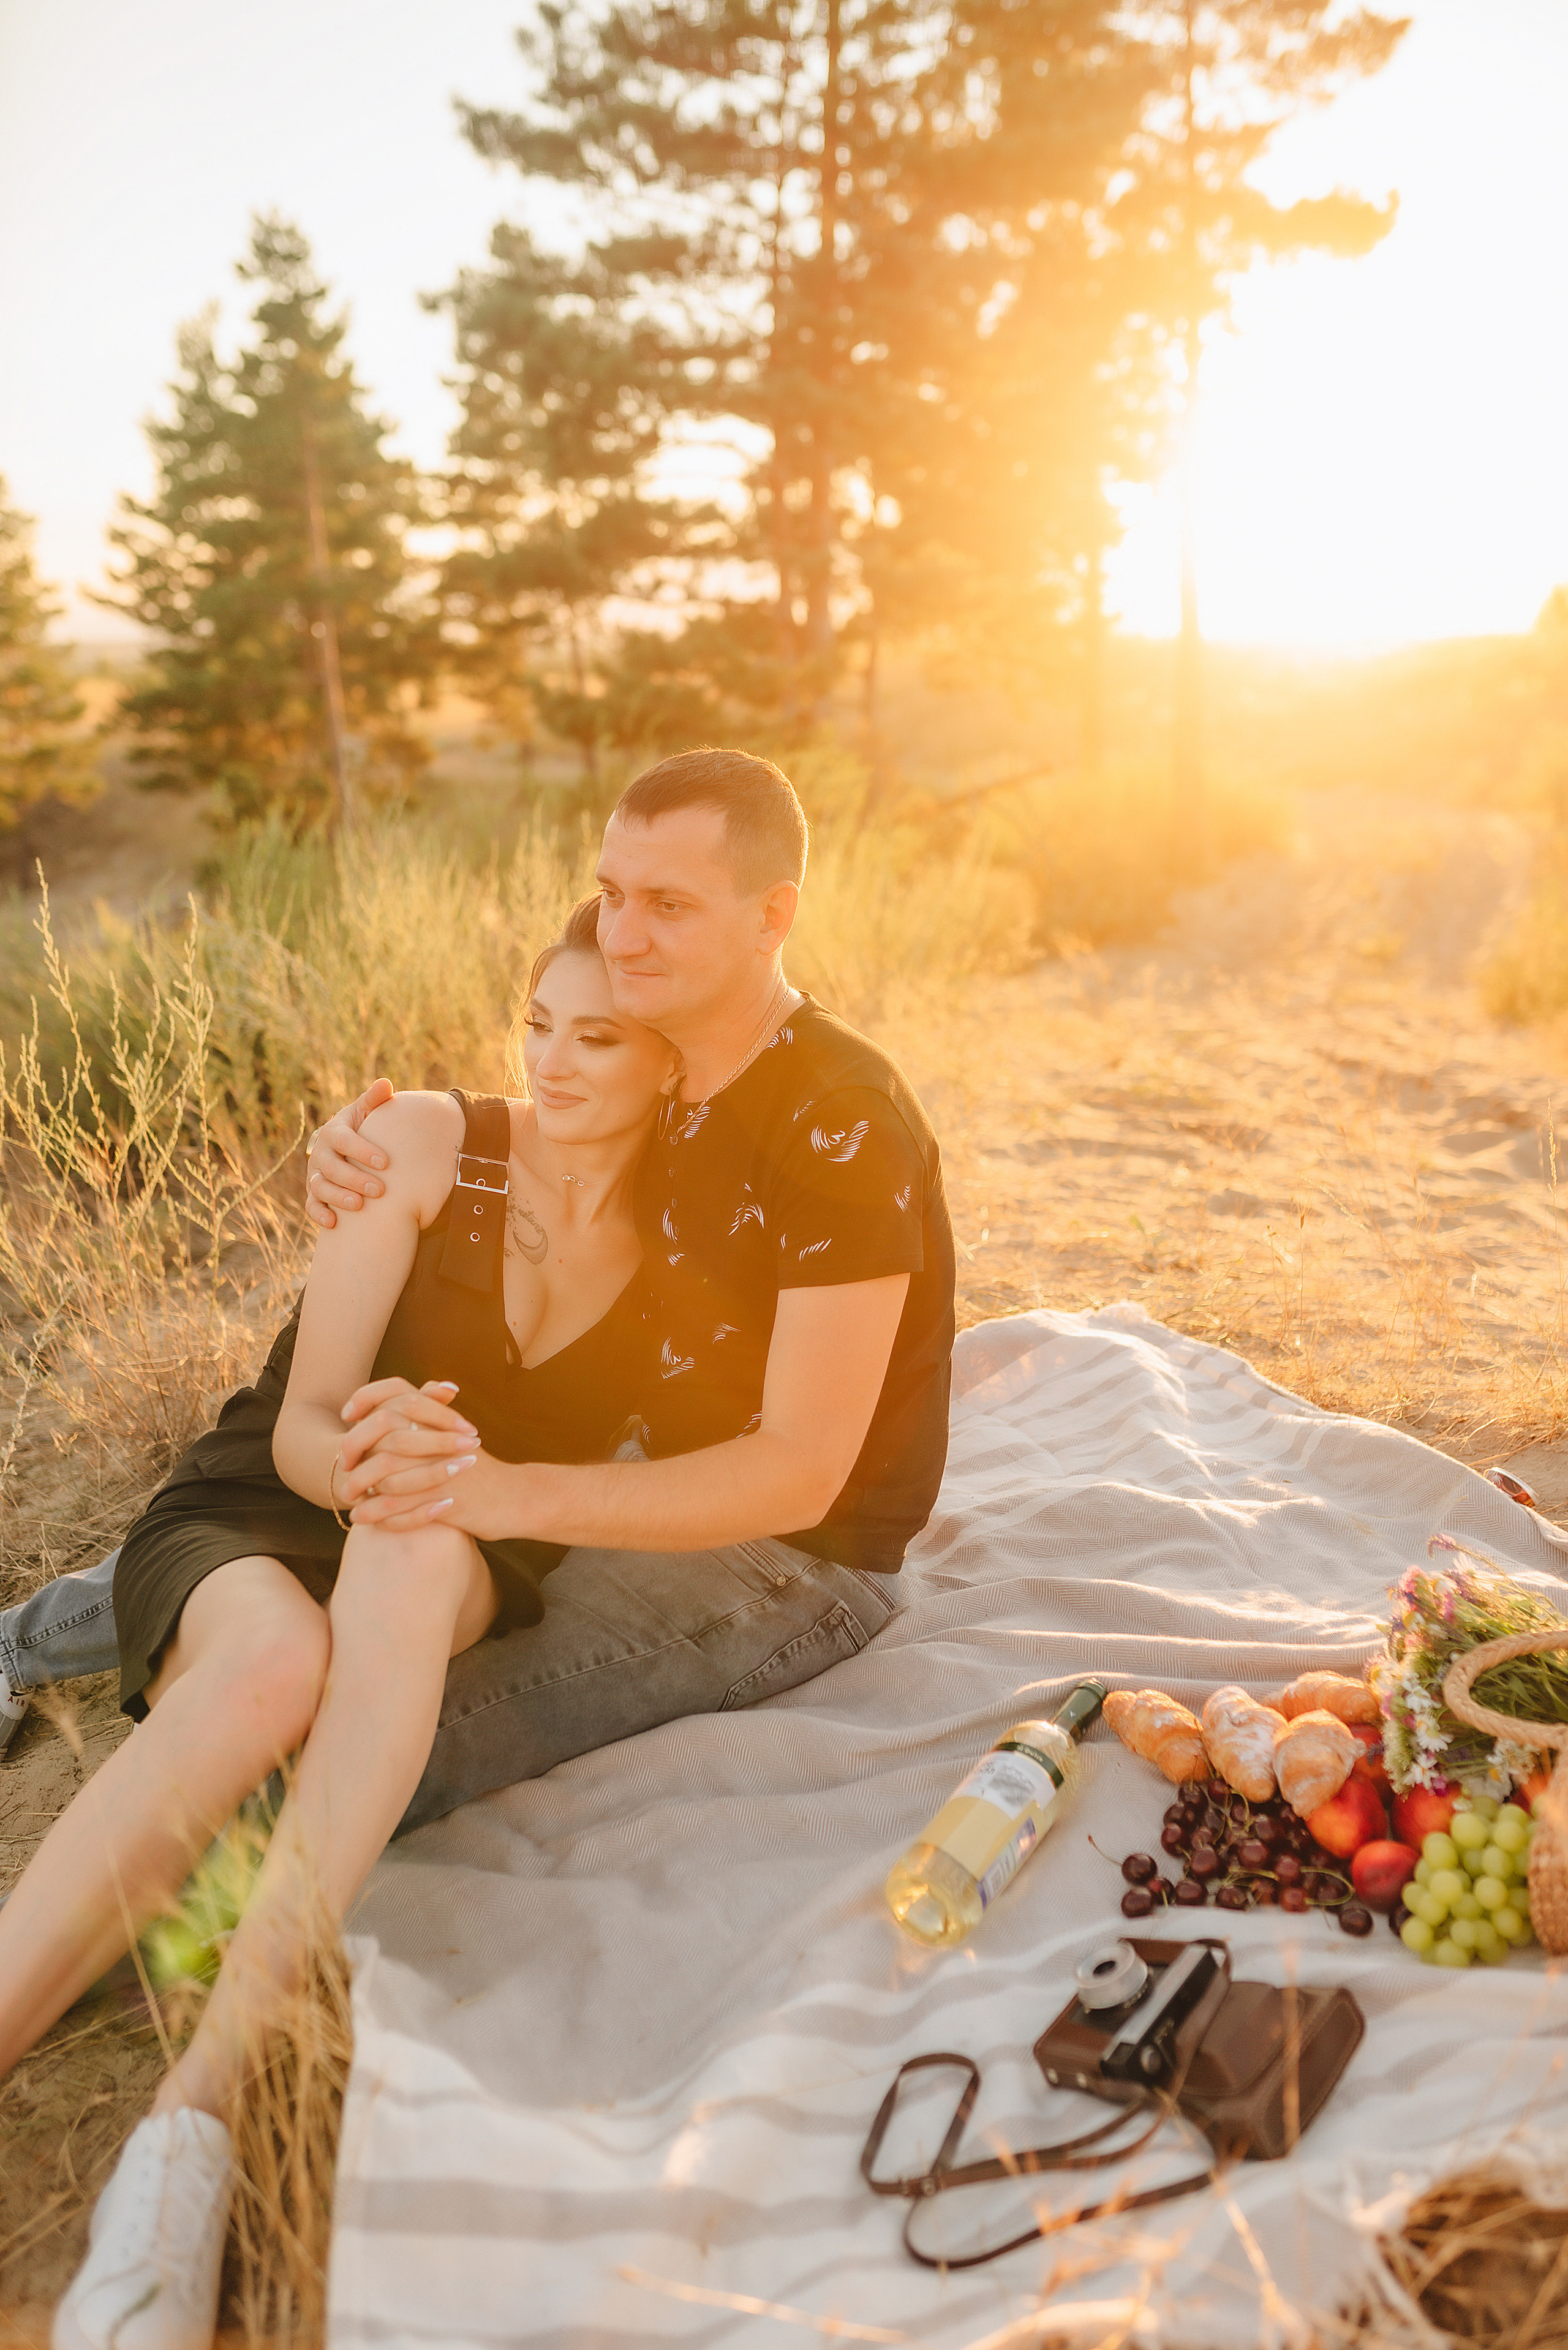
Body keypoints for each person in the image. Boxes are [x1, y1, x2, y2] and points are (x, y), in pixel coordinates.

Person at [4, 751, 956, 1835]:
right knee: (360, 1542)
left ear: (771, 915)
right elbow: (575, 1093)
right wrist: (391, 1137)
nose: (623, 933)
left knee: (311, 1772)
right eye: (613, 893)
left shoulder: (840, 1120)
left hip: (794, 1554)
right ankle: (32, 1637)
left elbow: (801, 1473)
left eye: (670, 904)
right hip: (642, 1460)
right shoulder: (686, 1048)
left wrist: (511, 1494)